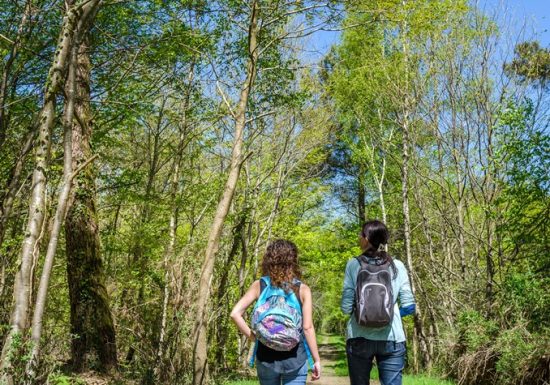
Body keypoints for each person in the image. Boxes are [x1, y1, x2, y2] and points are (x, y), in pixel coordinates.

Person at [231, 239, 322, 385]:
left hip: (265, 356)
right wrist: (316, 360)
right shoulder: (302, 289)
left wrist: (256, 338)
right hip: (295, 358)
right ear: (293, 261)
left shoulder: (260, 285)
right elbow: (307, 328)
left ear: (268, 260)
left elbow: (235, 314)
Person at [341, 220, 416, 385]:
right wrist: (391, 313)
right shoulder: (396, 266)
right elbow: (409, 306)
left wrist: (362, 312)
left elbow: (346, 308)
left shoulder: (354, 264)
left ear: (366, 238)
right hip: (392, 337)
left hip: (358, 336)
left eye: (361, 235)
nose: (359, 238)